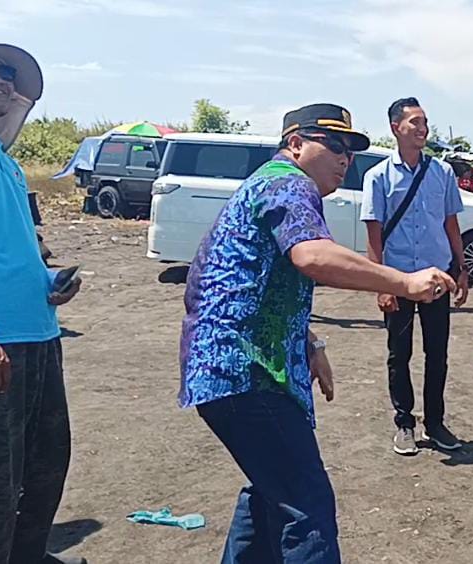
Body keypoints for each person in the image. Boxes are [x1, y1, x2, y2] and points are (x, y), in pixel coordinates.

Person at [178, 103, 457, 563]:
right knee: (306, 504)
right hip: (247, 373)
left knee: (271, 491)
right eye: (335, 145)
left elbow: (246, 282)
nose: (345, 158)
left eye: (350, 150)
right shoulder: (289, 183)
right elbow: (312, 255)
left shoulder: (270, 184)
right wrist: (404, 282)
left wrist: (309, 341)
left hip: (232, 368)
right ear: (295, 143)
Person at [0, 41, 88, 564]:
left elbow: (9, 243)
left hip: (38, 335)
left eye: (6, 72)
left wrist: (49, 280)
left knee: (42, 468)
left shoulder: (3, 159)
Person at [362, 97, 470, 455]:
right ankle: (404, 423)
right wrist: (381, 284)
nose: (422, 129)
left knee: (437, 353)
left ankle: (435, 423)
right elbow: (374, 234)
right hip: (397, 279)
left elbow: (451, 223)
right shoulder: (378, 176)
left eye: (424, 122)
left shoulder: (442, 172)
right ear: (396, 128)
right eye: (414, 122)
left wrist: (461, 268)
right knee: (399, 353)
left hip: (437, 279)